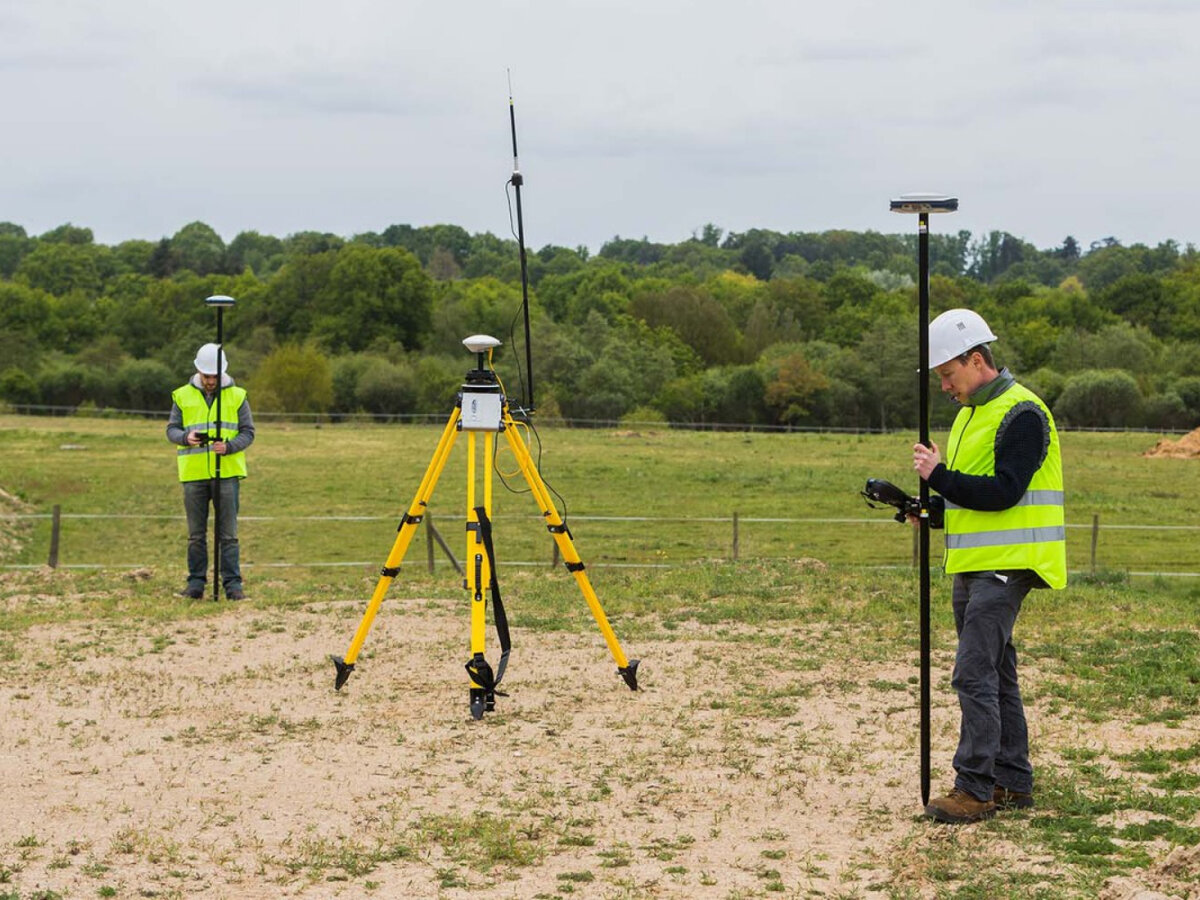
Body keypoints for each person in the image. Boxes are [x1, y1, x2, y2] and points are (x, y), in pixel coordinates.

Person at [911, 308, 1066, 825]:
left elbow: (1003, 493)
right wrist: (931, 509)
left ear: (976, 361)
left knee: (972, 672)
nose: (945, 388)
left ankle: (974, 788)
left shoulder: (1023, 413)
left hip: (1009, 564)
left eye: (949, 376)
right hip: (976, 563)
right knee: (997, 672)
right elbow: (967, 495)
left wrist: (939, 477)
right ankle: (1012, 781)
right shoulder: (968, 417)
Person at [167, 342, 255, 600]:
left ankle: (233, 586)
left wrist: (228, 447)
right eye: (206, 376)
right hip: (193, 475)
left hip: (226, 473)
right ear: (198, 371)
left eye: (214, 377)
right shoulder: (181, 395)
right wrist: (185, 437)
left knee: (228, 534)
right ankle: (195, 584)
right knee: (196, 535)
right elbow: (170, 430)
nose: (210, 381)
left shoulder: (237, 395)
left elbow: (248, 432)